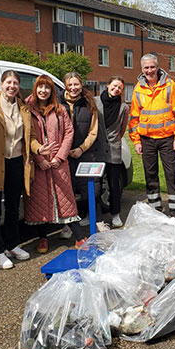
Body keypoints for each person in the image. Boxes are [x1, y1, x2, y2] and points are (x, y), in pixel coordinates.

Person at [0, 70, 46, 269]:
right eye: (8, 82)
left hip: (16, 163)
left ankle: (12, 244)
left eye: (15, 83)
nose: (12, 86)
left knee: (13, 207)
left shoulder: (23, 108)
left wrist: (38, 148)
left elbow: (28, 137)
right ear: (2, 84)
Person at [24, 75, 79, 254]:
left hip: (58, 162)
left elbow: (69, 133)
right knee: (39, 202)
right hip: (37, 162)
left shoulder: (60, 109)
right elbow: (26, 136)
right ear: (35, 88)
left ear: (52, 91)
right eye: (40, 87)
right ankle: (43, 238)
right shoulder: (27, 108)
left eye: (47, 88)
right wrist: (40, 158)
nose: (43, 91)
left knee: (66, 199)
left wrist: (59, 157)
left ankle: (78, 236)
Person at [129, 54, 175, 221]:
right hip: (147, 140)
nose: (149, 70)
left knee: (171, 175)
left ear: (157, 67)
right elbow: (134, 117)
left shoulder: (169, 85)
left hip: (168, 138)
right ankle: (155, 212)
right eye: (146, 68)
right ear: (142, 69)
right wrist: (136, 140)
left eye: (152, 67)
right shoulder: (138, 89)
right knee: (150, 175)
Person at [60, 71, 108, 243]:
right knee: (68, 191)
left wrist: (81, 149)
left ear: (81, 84)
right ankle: (68, 224)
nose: (73, 88)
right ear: (65, 86)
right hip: (63, 154)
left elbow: (93, 130)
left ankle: (99, 221)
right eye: (70, 84)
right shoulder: (58, 102)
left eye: (76, 84)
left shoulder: (89, 103)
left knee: (91, 190)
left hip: (85, 152)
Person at [95, 76, 129, 228]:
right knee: (95, 185)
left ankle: (115, 214)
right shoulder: (96, 102)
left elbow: (122, 129)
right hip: (96, 149)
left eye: (120, 88)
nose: (116, 89)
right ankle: (94, 215)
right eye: (114, 86)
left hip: (114, 150)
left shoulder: (123, 108)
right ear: (107, 85)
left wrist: (114, 141)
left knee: (114, 184)